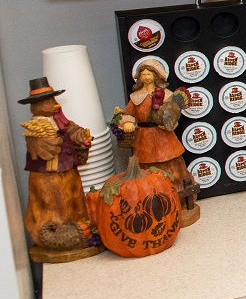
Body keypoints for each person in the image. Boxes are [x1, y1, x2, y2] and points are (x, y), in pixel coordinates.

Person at [17, 77, 100, 261]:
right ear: (35, 106)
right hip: (48, 177)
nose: (52, 104)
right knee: (52, 203)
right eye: (46, 101)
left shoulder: (60, 120)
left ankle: (79, 228)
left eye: (52, 99)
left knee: (74, 198)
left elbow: (73, 130)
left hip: (69, 171)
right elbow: (38, 146)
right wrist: (43, 142)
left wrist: (81, 136)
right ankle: (54, 234)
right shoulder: (35, 128)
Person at [114, 59, 200, 224]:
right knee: (147, 172)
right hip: (144, 139)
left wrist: (169, 119)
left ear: (156, 76)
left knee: (173, 168)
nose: (146, 77)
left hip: (163, 137)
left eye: (149, 73)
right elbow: (128, 113)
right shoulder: (136, 97)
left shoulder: (166, 95)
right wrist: (128, 122)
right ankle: (151, 207)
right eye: (143, 74)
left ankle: (180, 203)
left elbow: (172, 115)